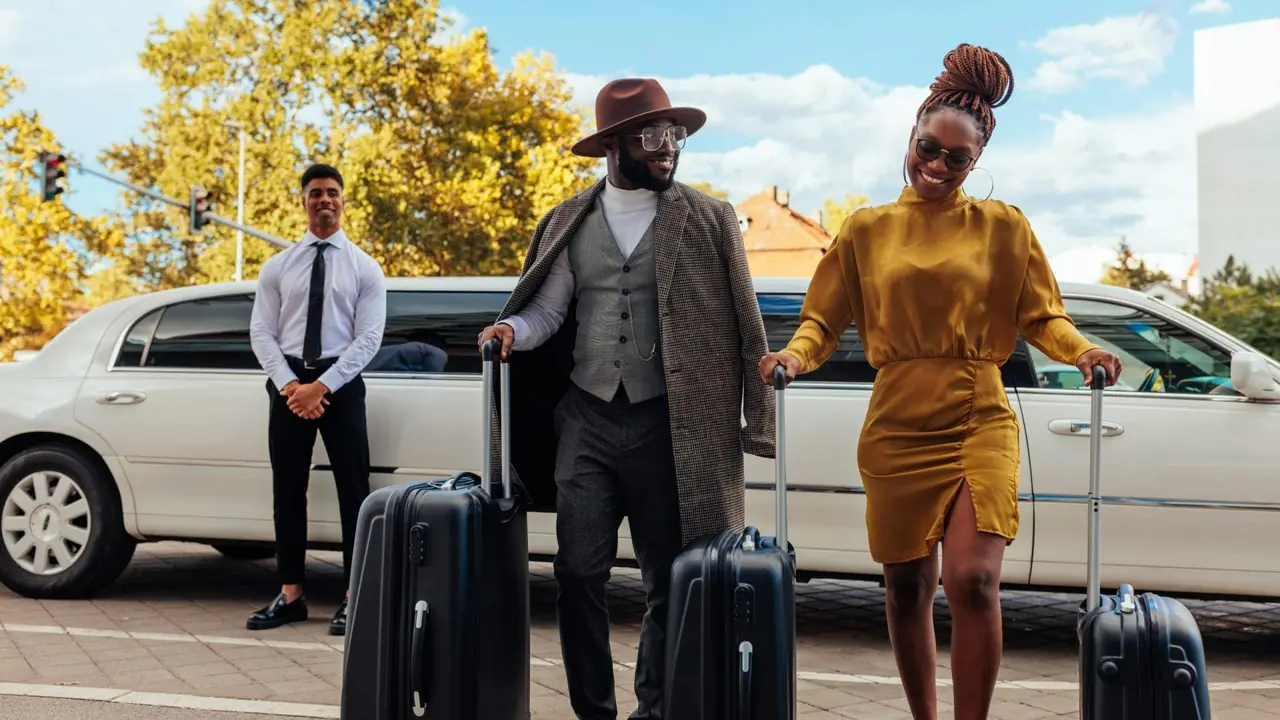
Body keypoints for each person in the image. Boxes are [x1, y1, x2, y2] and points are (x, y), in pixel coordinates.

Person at [758, 44, 1121, 720]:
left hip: (979, 413)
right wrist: (794, 358)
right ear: (913, 133)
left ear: (976, 162)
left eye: (958, 159)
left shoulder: (1003, 226)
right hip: (896, 424)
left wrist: (1082, 350)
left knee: (975, 581)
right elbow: (821, 321)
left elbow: (1042, 316)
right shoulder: (867, 230)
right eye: (930, 147)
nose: (938, 166)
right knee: (905, 590)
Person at [477, 78, 775, 720]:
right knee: (577, 575)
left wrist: (759, 416)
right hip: (585, 421)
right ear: (614, 144)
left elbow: (747, 321)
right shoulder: (568, 220)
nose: (669, 147)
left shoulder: (709, 217)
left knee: (668, 581)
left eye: (677, 134)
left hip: (670, 426)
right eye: (653, 134)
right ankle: (594, 711)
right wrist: (510, 331)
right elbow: (547, 312)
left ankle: (653, 710)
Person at [247, 163, 387, 636]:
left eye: (332, 193)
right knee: (288, 492)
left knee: (355, 493)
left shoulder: (365, 268)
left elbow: (368, 339)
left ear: (343, 200)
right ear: (303, 201)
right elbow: (261, 332)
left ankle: (354, 596)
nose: (324, 200)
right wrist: (292, 386)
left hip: (340, 389)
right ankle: (290, 595)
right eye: (315, 193)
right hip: (288, 385)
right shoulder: (278, 266)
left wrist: (321, 387)